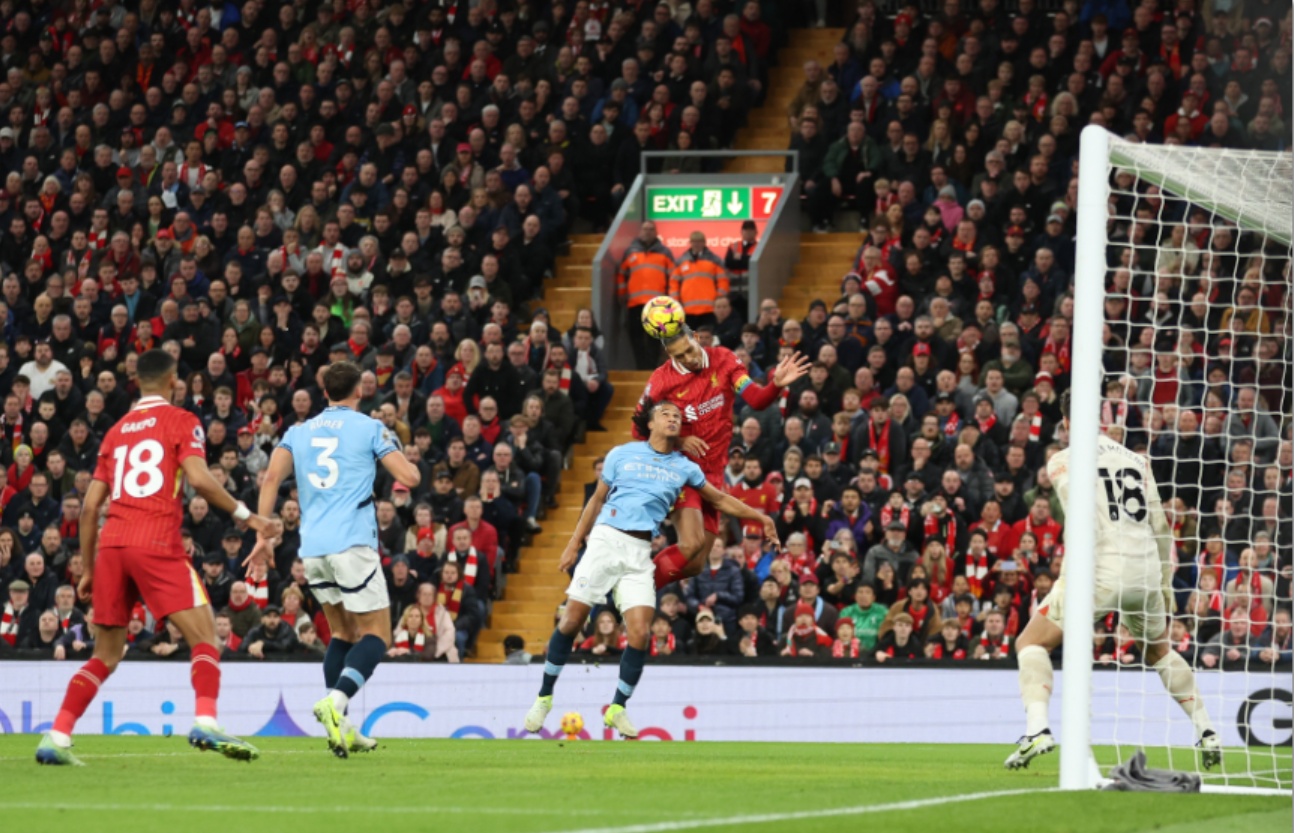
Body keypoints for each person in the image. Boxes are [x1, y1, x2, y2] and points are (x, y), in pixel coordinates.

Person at [36, 350, 277, 766]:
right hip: (156, 540)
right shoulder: (182, 421)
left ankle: (56, 736)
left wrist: (89, 569)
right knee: (205, 638)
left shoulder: (115, 431)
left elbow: (90, 507)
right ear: (172, 383)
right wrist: (250, 517)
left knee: (105, 654)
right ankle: (205, 719)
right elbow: (200, 479)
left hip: (112, 546)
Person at [523, 401, 778, 739]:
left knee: (641, 632)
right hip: (605, 540)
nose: (673, 419)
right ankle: (544, 697)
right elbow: (596, 500)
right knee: (571, 620)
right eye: (666, 414)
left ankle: (617, 707)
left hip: (641, 550)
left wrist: (760, 517)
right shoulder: (622, 454)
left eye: (677, 416)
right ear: (651, 422)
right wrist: (574, 544)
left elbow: (719, 500)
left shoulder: (684, 467)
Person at [1006, 391, 1220, 771]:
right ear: (1101, 418)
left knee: (1030, 642)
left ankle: (1037, 729)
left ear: (1067, 422)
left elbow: (1080, 513)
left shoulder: (1062, 460)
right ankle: (1206, 730)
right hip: (1147, 570)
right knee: (1158, 652)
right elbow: (1160, 528)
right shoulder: (1137, 460)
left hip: (1099, 569)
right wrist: (1165, 588)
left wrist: (1073, 575)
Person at [254, 360, 421, 758]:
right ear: (360, 390)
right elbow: (410, 478)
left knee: (343, 634)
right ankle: (337, 701)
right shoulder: (370, 428)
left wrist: (264, 533)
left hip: (312, 549)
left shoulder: (299, 430)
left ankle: (341, 728)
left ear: (323, 391)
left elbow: (271, 479)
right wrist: (403, 454)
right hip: (353, 546)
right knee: (377, 635)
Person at [635, 325, 810, 588]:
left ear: (696, 338)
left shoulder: (725, 360)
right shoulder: (661, 381)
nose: (687, 359)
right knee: (691, 544)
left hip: (714, 473)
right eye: (678, 357)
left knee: (694, 563)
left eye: (688, 351)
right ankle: (632, 591)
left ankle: (639, 586)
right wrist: (679, 440)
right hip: (680, 469)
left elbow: (757, 400)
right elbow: (638, 429)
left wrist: (775, 385)